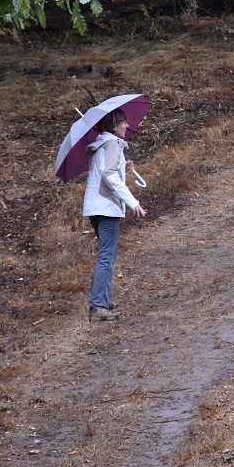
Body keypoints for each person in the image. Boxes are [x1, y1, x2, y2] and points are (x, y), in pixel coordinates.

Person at [83, 108, 146, 321]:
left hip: (96, 207)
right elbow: (108, 175)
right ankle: (98, 305)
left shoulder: (102, 143)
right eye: (123, 122)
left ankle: (102, 299)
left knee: (106, 254)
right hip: (106, 208)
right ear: (113, 125)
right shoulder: (111, 143)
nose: (127, 126)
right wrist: (133, 202)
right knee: (106, 255)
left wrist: (122, 166)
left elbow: (105, 171)